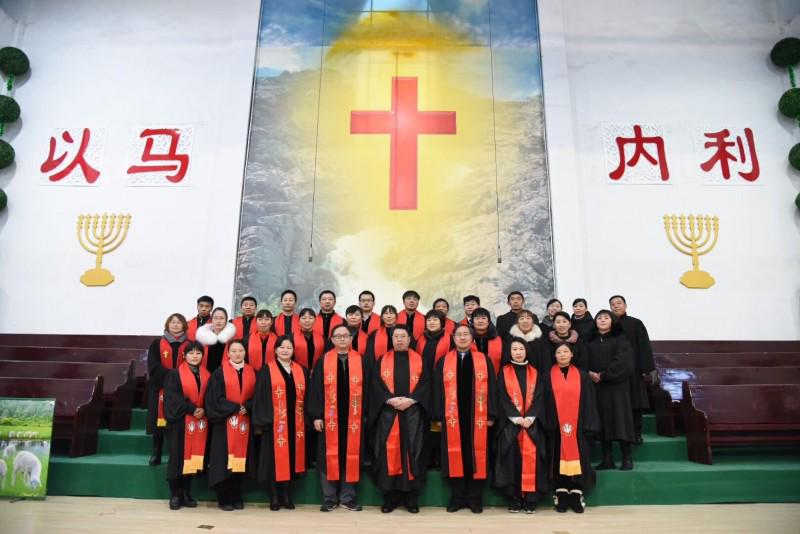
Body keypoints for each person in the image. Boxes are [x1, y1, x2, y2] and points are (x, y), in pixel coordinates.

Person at [433, 324, 497, 514]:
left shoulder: (484, 361)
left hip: (477, 418)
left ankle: (475, 499)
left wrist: (491, 415)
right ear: (453, 339)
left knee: (476, 456)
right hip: (451, 417)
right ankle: (458, 497)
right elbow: (437, 391)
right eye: (458, 335)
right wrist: (438, 416)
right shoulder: (444, 361)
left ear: (472, 338)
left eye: (465, 335)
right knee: (455, 455)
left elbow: (492, 389)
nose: (462, 338)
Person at [308, 325, 370, 512]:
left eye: (346, 336)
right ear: (332, 339)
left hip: (354, 419)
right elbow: (316, 391)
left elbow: (368, 390)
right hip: (329, 419)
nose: (342, 339)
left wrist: (365, 413)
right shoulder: (323, 361)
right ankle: (329, 498)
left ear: (351, 339)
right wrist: (317, 416)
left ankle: (347, 497)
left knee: (350, 456)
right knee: (328, 457)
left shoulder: (361, 360)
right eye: (338, 336)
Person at [369, 326, 430, 513]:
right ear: (392, 339)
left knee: (413, 453)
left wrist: (412, 400)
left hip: (413, 415)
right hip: (388, 414)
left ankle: (411, 499)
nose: (400, 340)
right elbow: (375, 385)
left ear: (410, 339)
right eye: (396, 336)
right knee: (389, 455)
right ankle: (390, 498)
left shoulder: (420, 360)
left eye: (403, 336)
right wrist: (389, 399)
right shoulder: (382, 361)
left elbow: (426, 384)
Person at [252, 335, 309, 511]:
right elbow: (260, 397)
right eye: (282, 347)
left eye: (289, 348)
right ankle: (275, 496)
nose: (285, 350)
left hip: (295, 424)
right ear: (275, 350)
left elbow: (307, 398)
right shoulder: (266, 370)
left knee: (292, 459)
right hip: (274, 425)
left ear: (293, 351)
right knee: (273, 461)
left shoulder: (301, 370)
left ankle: (286, 494)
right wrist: (266, 421)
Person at [493, 339, 547, 514]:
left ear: (526, 351)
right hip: (511, 425)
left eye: (521, 349)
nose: (518, 352)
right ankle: (515, 498)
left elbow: (539, 397)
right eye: (514, 349)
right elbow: (501, 397)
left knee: (532, 461)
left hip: (532, 425)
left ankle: (531, 498)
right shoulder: (504, 372)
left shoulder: (535, 373)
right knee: (512, 461)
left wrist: (530, 417)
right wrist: (516, 418)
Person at [546, 343, 600, 514]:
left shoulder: (582, 376)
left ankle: (576, 491)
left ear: (571, 355)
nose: (562, 355)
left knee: (579, 454)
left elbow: (589, 402)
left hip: (578, 426)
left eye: (565, 352)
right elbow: (544, 402)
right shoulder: (547, 376)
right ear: (554, 355)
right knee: (557, 456)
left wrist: (588, 425)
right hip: (556, 427)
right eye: (558, 352)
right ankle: (561, 491)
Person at [205, 339, 256, 511]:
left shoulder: (252, 372)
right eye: (233, 351)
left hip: (245, 424)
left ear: (245, 352)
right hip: (224, 424)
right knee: (223, 460)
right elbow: (214, 399)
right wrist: (235, 407)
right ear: (228, 353)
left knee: (241, 460)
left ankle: (236, 495)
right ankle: (224, 497)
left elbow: (257, 397)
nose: (237, 354)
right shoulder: (219, 373)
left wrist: (247, 407)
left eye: (240, 350)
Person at [163, 341, 210, 510]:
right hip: (180, 423)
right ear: (184, 355)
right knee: (177, 458)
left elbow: (210, 397)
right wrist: (192, 409)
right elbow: (172, 398)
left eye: (198, 353)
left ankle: (186, 492)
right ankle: (175, 493)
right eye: (191, 353)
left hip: (199, 423)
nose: (195, 356)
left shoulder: (206, 375)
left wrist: (203, 409)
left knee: (192, 458)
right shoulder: (175, 375)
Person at [586, 310, 635, 470]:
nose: (602, 320)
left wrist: (604, 375)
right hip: (597, 388)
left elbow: (623, 362)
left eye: (606, 317)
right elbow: (583, 360)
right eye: (599, 318)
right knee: (603, 422)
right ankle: (608, 459)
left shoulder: (620, 339)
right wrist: (590, 373)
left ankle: (627, 458)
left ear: (612, 321)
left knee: (621, 420)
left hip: (617, 387)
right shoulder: (590, 341)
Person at [609, 295, 655, 445]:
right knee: (616, 405)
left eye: (619, 303)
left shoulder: (635, 323)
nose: (616, 306)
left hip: (633, 371)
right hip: (614, 372)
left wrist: (645, 368)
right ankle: (617, 433)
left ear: (625, 306)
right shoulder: (607, 324)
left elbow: (644, 346)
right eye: (613, 304)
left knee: (635, 403)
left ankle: (636, 433)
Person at [147, 313, 189, 466]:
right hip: (161, 389)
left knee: (178, 424)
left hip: (182, 389)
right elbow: (153, 366)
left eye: (179, 322)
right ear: (167, 325)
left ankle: (176, 455)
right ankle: (156, 453)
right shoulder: (157, 344)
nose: (176, 325)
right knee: (159, 423)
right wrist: (173, 377)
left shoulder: (190, 344)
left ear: (184, 325)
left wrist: (180, 381)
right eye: (173, 322)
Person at [196, 307, 237, 373]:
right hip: (205, 375)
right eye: (216, 318)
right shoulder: (203, 338)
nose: (218, 321)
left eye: (221, 318)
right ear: (211, 320)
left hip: (226, 375)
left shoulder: (232, 340)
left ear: (226, 320)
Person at [470, 307, 503, 374]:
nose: (480, 321)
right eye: (477, 318)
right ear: (472, 322)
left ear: (488, 322)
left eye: (483, 318)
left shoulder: (499, 340)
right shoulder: (466, 340)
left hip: (494, 378)